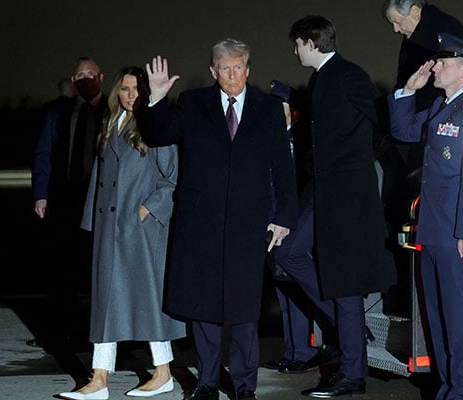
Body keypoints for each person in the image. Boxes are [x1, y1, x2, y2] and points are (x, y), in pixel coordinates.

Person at [136, 39, 298, 400]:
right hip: (200, 223)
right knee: (204, 308)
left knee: (243, 310)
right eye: (224, 68)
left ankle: (244, 387)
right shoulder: (193, 104)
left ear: (248, 69)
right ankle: (207, 384)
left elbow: (283, 169)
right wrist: (157, 98)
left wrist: (285, 215)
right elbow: (157, 133)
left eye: (238, 67)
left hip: (248, 223)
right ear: (213, 71)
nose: (232, 75)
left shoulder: (268, 109)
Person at [285, 15, 397, 398]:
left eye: (297, 44)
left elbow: (381, 122)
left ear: (310, 43)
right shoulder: (319, 80)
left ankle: (353, 374)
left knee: (346, 285)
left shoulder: (349, 75)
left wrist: (357, 167)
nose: (295, 51)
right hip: (323, 190)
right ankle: (350, 333)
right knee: (288, 250)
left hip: (346, 194)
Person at [58, 66, 186, 400]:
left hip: (141, 231)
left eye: (137, 90)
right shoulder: (110, 124)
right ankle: (99, 379)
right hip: (109, 229)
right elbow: (99, 177)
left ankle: (163, 372)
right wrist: (92, 221)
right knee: (104, 303)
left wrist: (146, 212)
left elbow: (171, 180)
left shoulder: (154, 125)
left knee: (148, 301)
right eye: (125, 89)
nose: (131, 96)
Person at [387, 32, 463, 399]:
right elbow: (403, 130)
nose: (434, 67)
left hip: (456, 234)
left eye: (443, 63)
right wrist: (408, 90)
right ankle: (450, 389)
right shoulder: (441, 107)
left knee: (460, 321)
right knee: (438, 320)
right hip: (432, 230)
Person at [31, 57, 108, 348]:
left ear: (100, 77)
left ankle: (96, 334)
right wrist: (41, 194)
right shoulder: (59, 112)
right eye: (80, 75)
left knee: (95, 270)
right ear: (73, 81)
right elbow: (43, 152)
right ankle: (58, 331)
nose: (86, 78)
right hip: (63, 199)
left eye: (91, 73)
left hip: (99, 201)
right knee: (61, 267)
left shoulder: (112, 109)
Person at [262, 80, 321, 375]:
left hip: (293, 224)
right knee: (283, 292)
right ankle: (293, 350)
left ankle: (305, 352)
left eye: (279, 107)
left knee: (297, 288)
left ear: (292, 112)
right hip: (270, 223)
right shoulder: (268, 142)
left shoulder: (302, 142)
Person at [382, 0, 463, 175]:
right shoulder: (419, 34)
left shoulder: (442, 32)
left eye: (398, 22)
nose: (396, 29)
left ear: (415, 12)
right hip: (420, 123)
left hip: (435, 125)